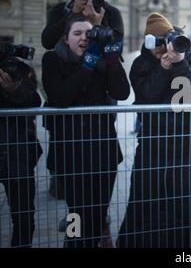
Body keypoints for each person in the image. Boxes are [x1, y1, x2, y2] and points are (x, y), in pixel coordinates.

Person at [42, 15, 130, 247]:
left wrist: (111, 61)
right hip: (70, 155)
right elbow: (60, 97)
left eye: (88, 33)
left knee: (98, 214)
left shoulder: (101, 60)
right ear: (66, 37)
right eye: (77, 33)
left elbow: (121, 92)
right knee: (77, 214)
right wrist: (88, 63)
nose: (84, 38)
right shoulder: (53, 59)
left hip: (103, 153)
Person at [117, 13, 191, 248]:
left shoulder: (190, 58)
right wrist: (164, 68)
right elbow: (148, 95)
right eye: (155, 41)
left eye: (164, 39)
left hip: (185, 149)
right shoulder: (141, 64)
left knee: (185, 207)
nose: (161, 47)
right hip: (152, 147)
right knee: (143, 204)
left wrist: (179, 63)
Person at [0, 55, 42, 247]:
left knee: (24, 219)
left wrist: (13, 87)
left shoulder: (17, 70)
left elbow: (34, 100)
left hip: (18, 156)